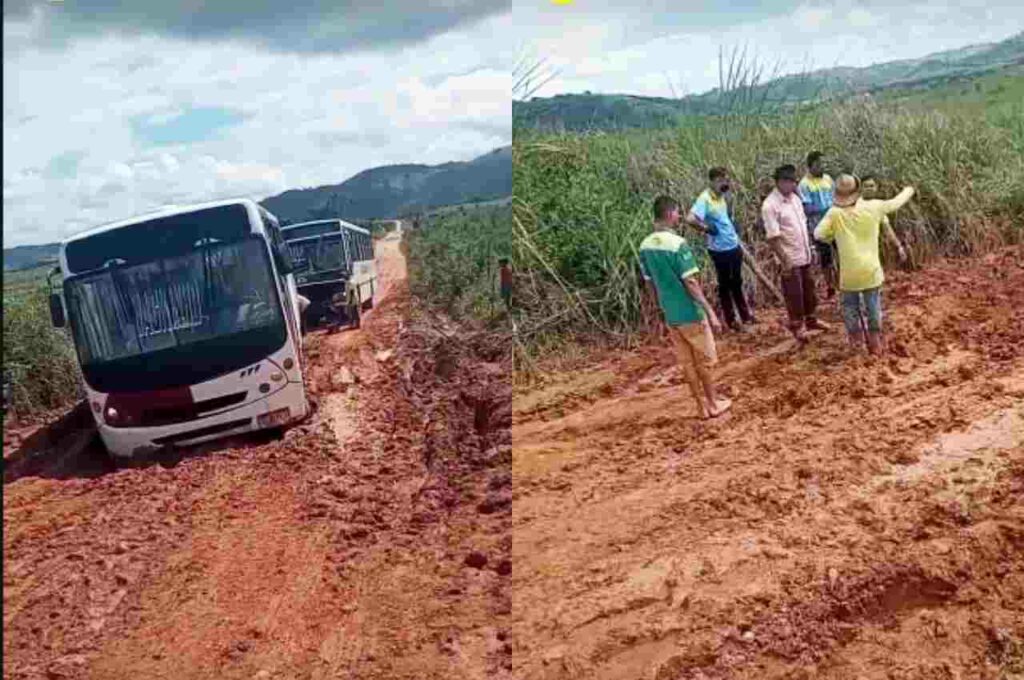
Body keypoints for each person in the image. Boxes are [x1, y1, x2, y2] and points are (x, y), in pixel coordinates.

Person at [641, 195, 732, 419]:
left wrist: (658, 310)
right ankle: (713, 404)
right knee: (704, 361)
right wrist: (710, 311)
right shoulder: (677, 244)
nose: (679, 217)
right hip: (690, 312)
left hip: (671, 314)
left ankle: (701, 407)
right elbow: (690, 282)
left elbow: (649, 283)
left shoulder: (644, 246)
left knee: (687, 364)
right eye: (678, 213)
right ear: (670, 214)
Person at [814, 174, 913, 356]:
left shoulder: (834, 213)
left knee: (850, 307)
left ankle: (856, 342)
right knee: (873, 305)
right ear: (858, 191)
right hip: (871, 271)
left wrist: (832, 237)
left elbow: (818, 234)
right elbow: (896, 202)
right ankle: (875, 342)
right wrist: (910, 189)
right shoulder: (874, 207)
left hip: (849, 275)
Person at [761, 164, 831, 344]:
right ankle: (797, 325)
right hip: (789, 256)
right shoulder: (770, 205)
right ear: (779, 182)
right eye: (788, 181)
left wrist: (811, 248)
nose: (792, 185)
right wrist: (785, 261)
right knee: (794, 293)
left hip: (804, 252)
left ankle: (811, 320)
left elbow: (802, 226)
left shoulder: (795, 199)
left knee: (809, 289)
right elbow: (773, 238)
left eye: (793, 181)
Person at [685, 167, 756, 333]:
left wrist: (732, 224)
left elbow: (724, 217)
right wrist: (706, 228)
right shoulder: (705, 198)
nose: (724, 184)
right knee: (725, 285)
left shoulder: (722, 197)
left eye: (725, 180)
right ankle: (731, 321)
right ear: (711, 181)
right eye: (720, 181)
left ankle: (745, 315)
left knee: (737, 282)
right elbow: (690, 219)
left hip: (732, 244)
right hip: (719, 249)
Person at [799, 151, 838, 299]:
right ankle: (830, 287)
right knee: (826, 259)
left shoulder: (828, 179)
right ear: (811, 166)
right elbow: (807, 208)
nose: (823, 166)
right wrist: (826, 208)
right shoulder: (804, 184)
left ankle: (843, 282)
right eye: (819, 164)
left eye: (823, 163)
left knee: (842, 253)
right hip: (819, 228)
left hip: (835, 225)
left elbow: (836, 197)